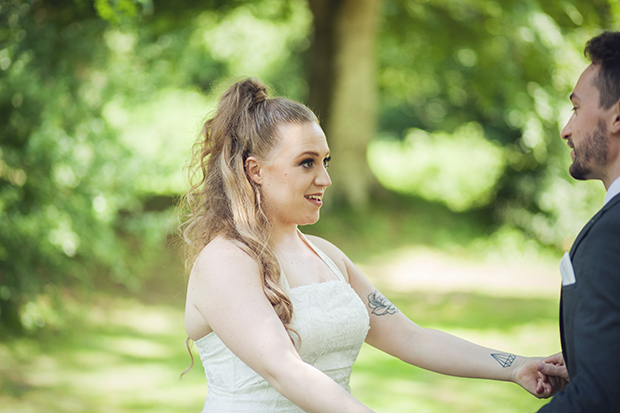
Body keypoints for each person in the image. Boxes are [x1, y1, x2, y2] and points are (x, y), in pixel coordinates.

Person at [181, 77, 563, 412]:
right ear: (255, 171)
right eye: (306, 163)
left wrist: (515, 366)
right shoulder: (225, 261)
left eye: (325, 161)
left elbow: (410, 337)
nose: (325, 179)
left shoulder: (327, 256)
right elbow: (285, 371)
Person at [536, 31, 620, 412]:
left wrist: (595, 371)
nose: (566, 130)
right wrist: (591, 356)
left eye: (575, 107)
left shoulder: (609, 236)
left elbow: (599, 398)